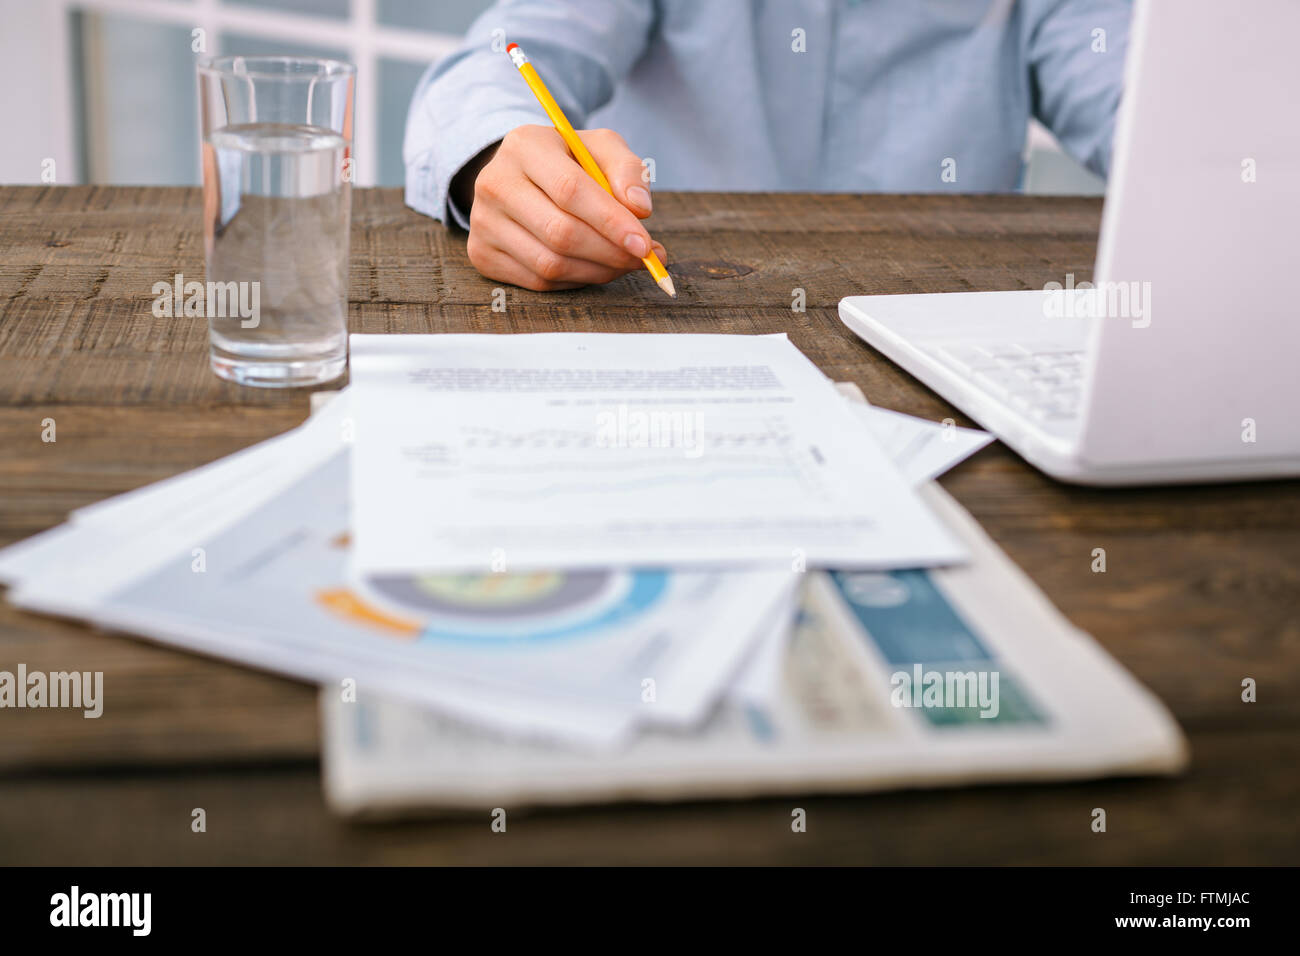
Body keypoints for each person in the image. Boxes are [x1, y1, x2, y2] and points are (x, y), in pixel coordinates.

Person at [404, 0, 1131, 291]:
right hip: (679, 329)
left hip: (955, 357)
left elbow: (1145, 103)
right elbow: (495, 63)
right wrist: (493, 160)